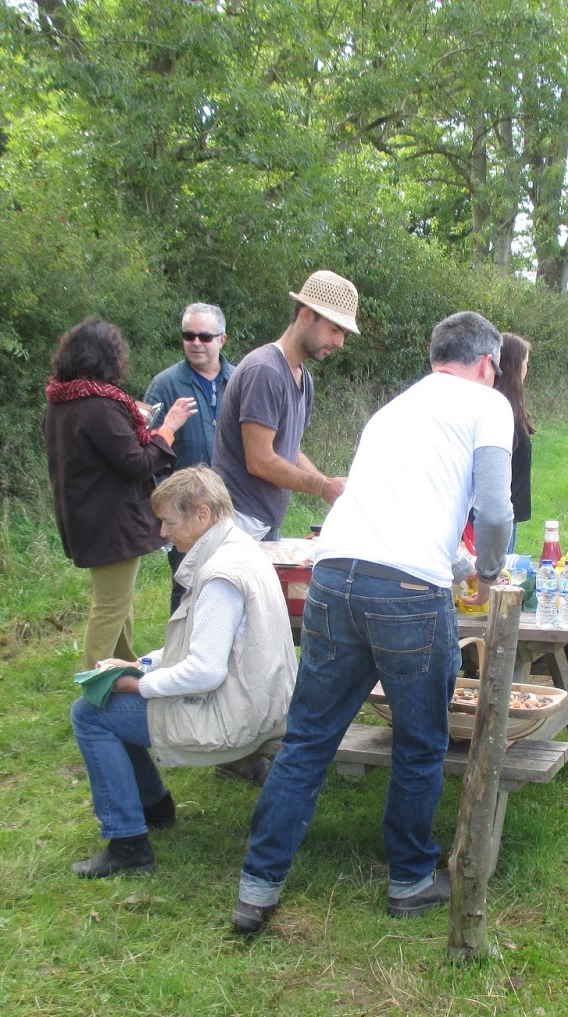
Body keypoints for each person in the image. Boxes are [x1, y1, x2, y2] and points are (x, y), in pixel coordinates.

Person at [230, 311, 514, 934]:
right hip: (407, 592)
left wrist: (461, 563)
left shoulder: (393, 410)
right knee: (420, 741)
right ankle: (410, 879)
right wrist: (491, 573)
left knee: (308, 740)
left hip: (334, 575)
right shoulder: (488, 404)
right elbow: (495, 510)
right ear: (487, 363)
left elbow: (398, 507)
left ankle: (257, 888)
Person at [67, 467, 298, 879]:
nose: (162, 533)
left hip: (237, 716)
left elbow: (205, 671)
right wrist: (140, 664)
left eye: (169, 522)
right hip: (263, 701)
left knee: (90, 714)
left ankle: (127, 843)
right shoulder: (241, 548)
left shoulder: (220, 576)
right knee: (110, 708)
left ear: (202, 514)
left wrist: (137, 685)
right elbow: (206, 643)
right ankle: (154, 806)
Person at [43, 316, 194, 669]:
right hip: (110, 521)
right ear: (109, 357)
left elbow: (102, 453)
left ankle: (126, 665)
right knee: (110, 607)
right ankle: (93, 685)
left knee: (118, 601)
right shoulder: (100, 405)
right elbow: (138, 463)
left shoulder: (59, 403)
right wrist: (168, 429)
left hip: (82, 516)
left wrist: (134, 423)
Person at [210, 271, 356, 541]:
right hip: (236, 523)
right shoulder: (265, 370)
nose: (340, 342)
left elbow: (290, 451)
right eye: (334, 329)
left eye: (343, 333)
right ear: (306, 315)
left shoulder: (304, 378)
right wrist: (322, 486)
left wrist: (331, 489)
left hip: (265, 524)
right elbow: (260, 460)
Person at [144, 302, 235, 611]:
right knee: (186, 588)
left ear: (222, 339)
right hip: (185, 510)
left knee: (231, 584)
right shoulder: (164, 385)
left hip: (233, 506)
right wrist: (166, 503)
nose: (196, 343)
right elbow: (147, 449)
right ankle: (180, 641)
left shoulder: (240, 379)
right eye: (188, 335)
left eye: (205, 337)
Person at [497, 333, 535, 553]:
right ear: (515, 366)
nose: (527, 369)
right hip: (500, 517)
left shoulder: (509, 406)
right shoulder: (499, 409)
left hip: (508, 513)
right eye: (526, 362)